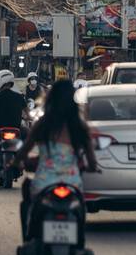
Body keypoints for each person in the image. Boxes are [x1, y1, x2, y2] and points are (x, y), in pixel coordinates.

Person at [18, 79, 101, 239]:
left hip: (44, 181)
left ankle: (30, 237)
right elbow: (91, 160)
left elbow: (24, 150)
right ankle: (78, 242)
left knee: (30, 202)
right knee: (80, 210)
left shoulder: (43, 123)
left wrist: (16, 162)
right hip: (72, 183)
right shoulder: (79, 126)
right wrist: (92, 167)